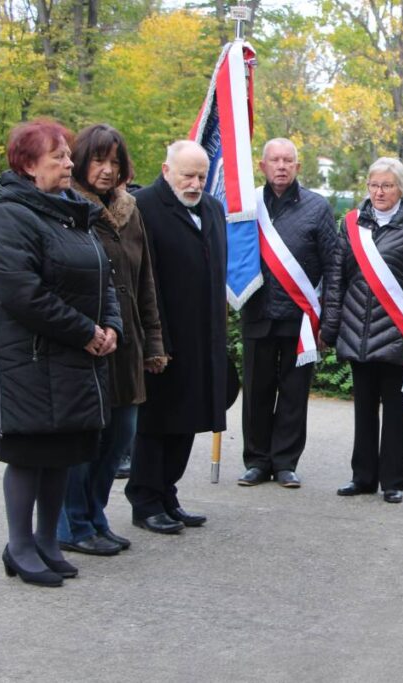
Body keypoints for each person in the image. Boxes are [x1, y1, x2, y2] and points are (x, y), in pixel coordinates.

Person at [0, 118, 121, 586]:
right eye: (57, 155)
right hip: (26, 357)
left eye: (66, 153)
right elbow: (22, 293)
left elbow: (104, 277)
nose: (67, 162)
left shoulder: (71, 210)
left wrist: (111, 325)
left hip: (72, 355)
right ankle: (19, 545)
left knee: (61, 451)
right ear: (27, 163)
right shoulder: (8, 213)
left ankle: (46, 542)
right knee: (28, 453)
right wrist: (85, 331)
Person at [56, 124, 166, 555]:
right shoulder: (65, 208)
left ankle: (96, 516)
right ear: (81, 162)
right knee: (87, 439)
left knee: (122, 436)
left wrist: (153, 342)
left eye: (115, 163)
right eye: (99, 161)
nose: (107, 171)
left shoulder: (129, 210)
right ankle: (73, 524)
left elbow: (145, 283)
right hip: (87, 344)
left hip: (128, 345)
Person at [321, 157, 403, 504]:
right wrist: (330, 329)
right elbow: (337, 279)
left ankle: (393, 481)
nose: (379, 192)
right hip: (357, 330)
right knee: (363, 408)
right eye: (374, 185)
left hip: (398, 336)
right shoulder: (351, 225)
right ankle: (362, 477)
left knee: (395, 409)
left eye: (387, 185)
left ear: (401, 188)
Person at [124, 140, 227, 534]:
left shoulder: (212, 210)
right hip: (161, 338)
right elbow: (139, 279)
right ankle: (145, 500)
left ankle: (168, 494)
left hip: (203, 338)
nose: (195, 183)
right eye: (187, 174)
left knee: (186, 421)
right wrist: (153, 339)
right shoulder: (144, 208)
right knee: (156, 424)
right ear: (166, 170)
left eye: (201, 176)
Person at [237, 138, 338, 489]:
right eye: (274, 160)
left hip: (302, 319)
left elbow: (334, 266)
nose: (281, 166)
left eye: (288, 160)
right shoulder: (245, 205)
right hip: (258, 312)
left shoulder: (317, 207)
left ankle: (284, 463)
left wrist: (331, 319)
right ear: (262, 165)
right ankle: (256, 460)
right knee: (256, 392)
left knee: (294, 394)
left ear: (297, 166)